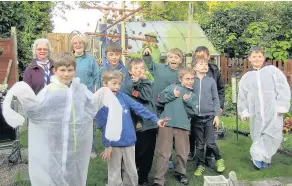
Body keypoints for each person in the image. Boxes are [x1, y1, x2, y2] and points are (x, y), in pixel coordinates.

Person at [2, 52, 123, 186]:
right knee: (53, 175)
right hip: (54, 145)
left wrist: (104, 94)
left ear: (75, 70)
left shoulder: (81, 91)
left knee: (74, 175)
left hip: (75, 145)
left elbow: (91, 106)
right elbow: (36, 112)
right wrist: (23, 95)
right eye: (62, 70)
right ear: (55, 71)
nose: (66, 74)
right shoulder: (49, 91)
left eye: (70, 70)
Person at [96, 69, 168, 186]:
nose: (117, 86)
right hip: (114, 144)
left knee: (131, 172)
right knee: (114, 172)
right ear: (105, 83)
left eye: (119, 83)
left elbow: (140, 108)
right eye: (114, 83)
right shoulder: (102, 102)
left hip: (129, 141)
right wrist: (107, 145)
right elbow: (103, 125)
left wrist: (156, 119)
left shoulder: (124, 97)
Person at [238, 46, 291, 169]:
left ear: (264, 58)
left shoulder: (273, 71)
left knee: (273, 134)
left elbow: (283, 88)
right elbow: (242, 95)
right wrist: (244, 111)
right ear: (249, 59)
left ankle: (263, 156)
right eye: (254, 57)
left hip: (273, 111)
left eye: (259, 56)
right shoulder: (247, 77)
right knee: (258, 134)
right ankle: (258, 157)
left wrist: (282, 106)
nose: (257, 59)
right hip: (256, 112)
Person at [152, 67, 198, 186]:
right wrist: (172, 95)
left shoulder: (192, 95)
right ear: (180, 78)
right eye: (187, 78)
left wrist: (188, 102)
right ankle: (159, 179)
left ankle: (181, 173)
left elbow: (195, 112)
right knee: (163, 152)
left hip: (182, 125)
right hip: (167, 124)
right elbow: (159, 99)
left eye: (192, 79)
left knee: (182, 152)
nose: (190, 81)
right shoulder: (172, 88)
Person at [120, 58, 158, 186]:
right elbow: (145, 96)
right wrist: (136, 85)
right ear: (130, 71)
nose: (139, 70)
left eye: (142, 68)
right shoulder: (126, 84)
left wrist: (143, 82)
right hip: (137, 123)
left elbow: (146, 95)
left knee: (149, 152)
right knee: (138, 151)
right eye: (136, 68)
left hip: (151, 123)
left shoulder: (148, 82)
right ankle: (130, 175)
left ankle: (143, 178)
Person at [188, 46, 225, 162]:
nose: (201, 59)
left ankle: (209, 156)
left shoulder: (214, 72)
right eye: (198, 57)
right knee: (195, 134)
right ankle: (194, 154)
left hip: (210, 110)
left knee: (210, 137)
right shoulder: (191, 75)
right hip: (196, 113)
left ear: (208, 57)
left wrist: (219, 107)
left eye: (203, 56)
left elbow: (220, 90)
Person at [70, 35, 100, 159]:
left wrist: (96, 92)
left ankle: (90, 148)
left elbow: (97, 76)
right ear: (72, 45)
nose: (78, 45)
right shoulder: (69, 58)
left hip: (87, 96)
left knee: (88, 123)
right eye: (75, 43)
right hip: (72, 95)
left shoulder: (90, 59)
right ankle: (75, 148)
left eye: (80, 43)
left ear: (84, 44)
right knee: (74, 122)